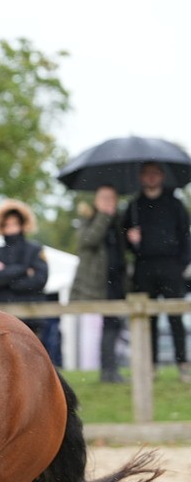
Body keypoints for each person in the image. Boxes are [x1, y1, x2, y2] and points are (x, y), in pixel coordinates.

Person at [125, 162, 191, 381]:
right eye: (147, 174)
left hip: (172, 266)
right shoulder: (134, 206)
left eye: (155, 173)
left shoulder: (175, 204)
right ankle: (150, 366)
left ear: (162, 176)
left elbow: (186, 237)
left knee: (175, 316)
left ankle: (182, 364)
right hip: (144, 267)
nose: (151, 177)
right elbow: (125, 243)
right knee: (147, 319)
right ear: (141, 177)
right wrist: (131, 240)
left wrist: (181, 265)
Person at [71, 185, 128, 383]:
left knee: (114, 325)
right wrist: (104, 216)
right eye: (103, 198)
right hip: (98, 284)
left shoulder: (119, 221)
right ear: (96, 200)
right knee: (107, 324)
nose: (107, 202)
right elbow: (89, 240)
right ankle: (107, 371)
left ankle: (111, 370)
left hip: (117, 282)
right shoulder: (90, 220)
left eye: (111, 198)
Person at [0, 199, 49, 340]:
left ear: (22, 224)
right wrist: (24, 270)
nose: (11, 228)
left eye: (15, 224)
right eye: (7, 224)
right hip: (2, 319)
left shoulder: (35, 249)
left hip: (31, 319)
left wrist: (8, 278)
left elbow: (40, 280)